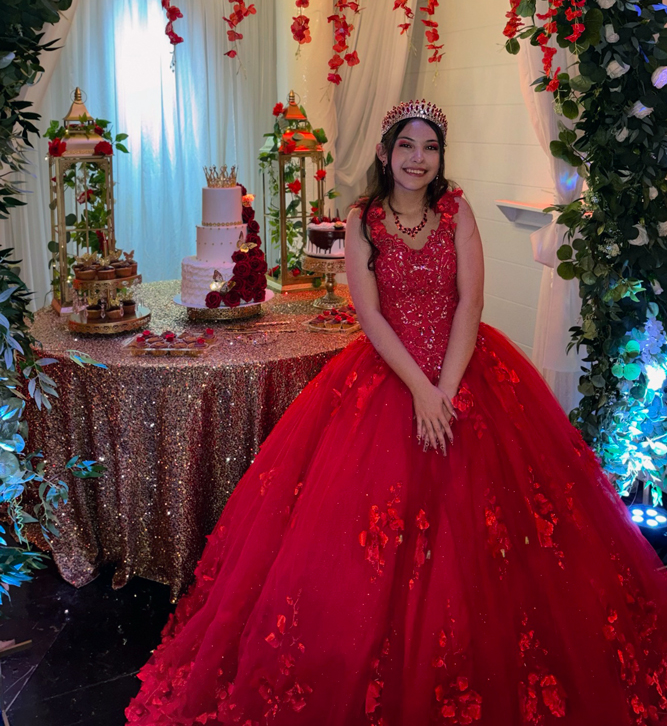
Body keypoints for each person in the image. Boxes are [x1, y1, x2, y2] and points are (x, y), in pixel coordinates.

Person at [127, 100, 667, 726]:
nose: (419, 158)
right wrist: (420, 389)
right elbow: (371, 316)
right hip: (388, 376)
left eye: (430, 147)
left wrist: (448, 388)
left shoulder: (457, 211)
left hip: (466, 369)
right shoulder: (362, 220)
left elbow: (472, 303)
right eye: (407, 146)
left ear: (440, 156)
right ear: (385, 153)